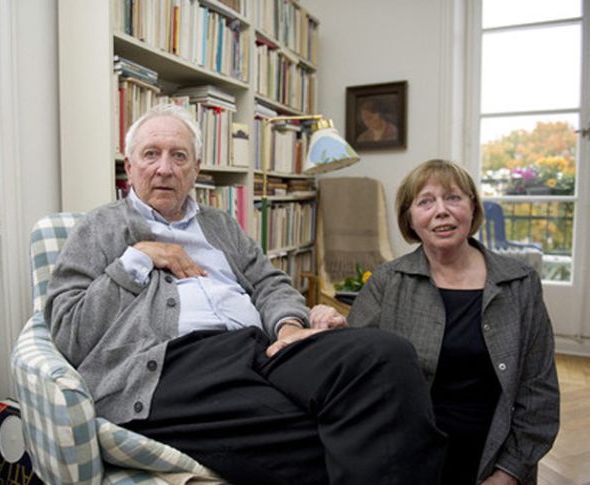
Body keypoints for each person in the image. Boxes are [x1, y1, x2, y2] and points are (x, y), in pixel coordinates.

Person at [44, 103, 447, 485]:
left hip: (260, 351)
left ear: (196, 169)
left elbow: (269, 282)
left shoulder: (220, 224)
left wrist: (289, 327)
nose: (165, 168)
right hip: (172, 366)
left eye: (179, 157)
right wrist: (138, 258)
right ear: (129, 165)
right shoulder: (99, 228)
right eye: (151, 155)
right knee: (343, 431)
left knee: (387, 355)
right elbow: (69, 332)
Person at [348, 159, 560, 485]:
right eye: (425, 201)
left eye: (454, 198)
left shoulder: (520, 284)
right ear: (410, 219)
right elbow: (353, 371)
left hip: (493, 459)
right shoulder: (387, 280)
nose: (441, 211)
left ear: (472, 208)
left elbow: (539, 394)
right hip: (404, 457)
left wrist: (508, 474)